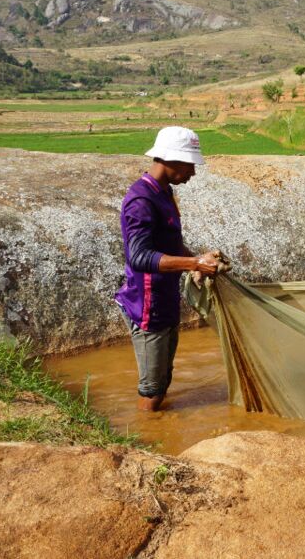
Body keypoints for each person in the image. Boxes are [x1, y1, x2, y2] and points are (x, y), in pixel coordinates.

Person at [115, 126, 223, 412]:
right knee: (151, 391)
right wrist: (194, 263)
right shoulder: (141, 201)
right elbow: (139, 256)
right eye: (189, 165)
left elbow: (170, 244)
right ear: (170, 160)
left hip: (165, 302)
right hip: (147, 307)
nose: (193, 173)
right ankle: (147, 441)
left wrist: (194, 262)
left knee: (162, 384)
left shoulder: (163, 193)